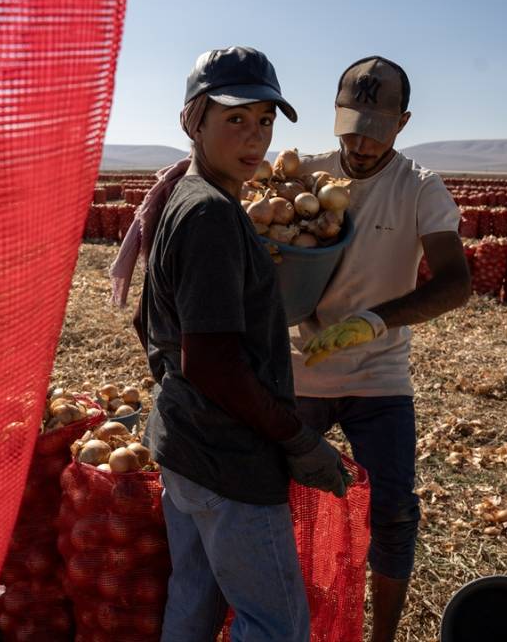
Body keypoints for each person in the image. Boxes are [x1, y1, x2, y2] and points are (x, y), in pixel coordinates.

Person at [111, 46, 348, 642]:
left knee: (193, 601)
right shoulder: (211, 214)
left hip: (184, 444)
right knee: (276, 626)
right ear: (194, 121)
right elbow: (214, 364)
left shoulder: (183, 196)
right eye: (235, 118)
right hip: (228, 462)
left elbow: (150, 322)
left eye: (265, 120)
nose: (255, 136)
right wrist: (298, 440)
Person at [290, 56, 471, 642]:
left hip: (379, 374)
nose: (362, 143)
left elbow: (456, 284)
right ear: (335, 115)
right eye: (351, 127)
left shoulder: (419, 188)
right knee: (272, 498)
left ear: (403, 122)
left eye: (377, 129)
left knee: (393, 511)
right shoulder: (303, 176)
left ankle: (383, 637)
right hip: (301, 369)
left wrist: (377, 321)